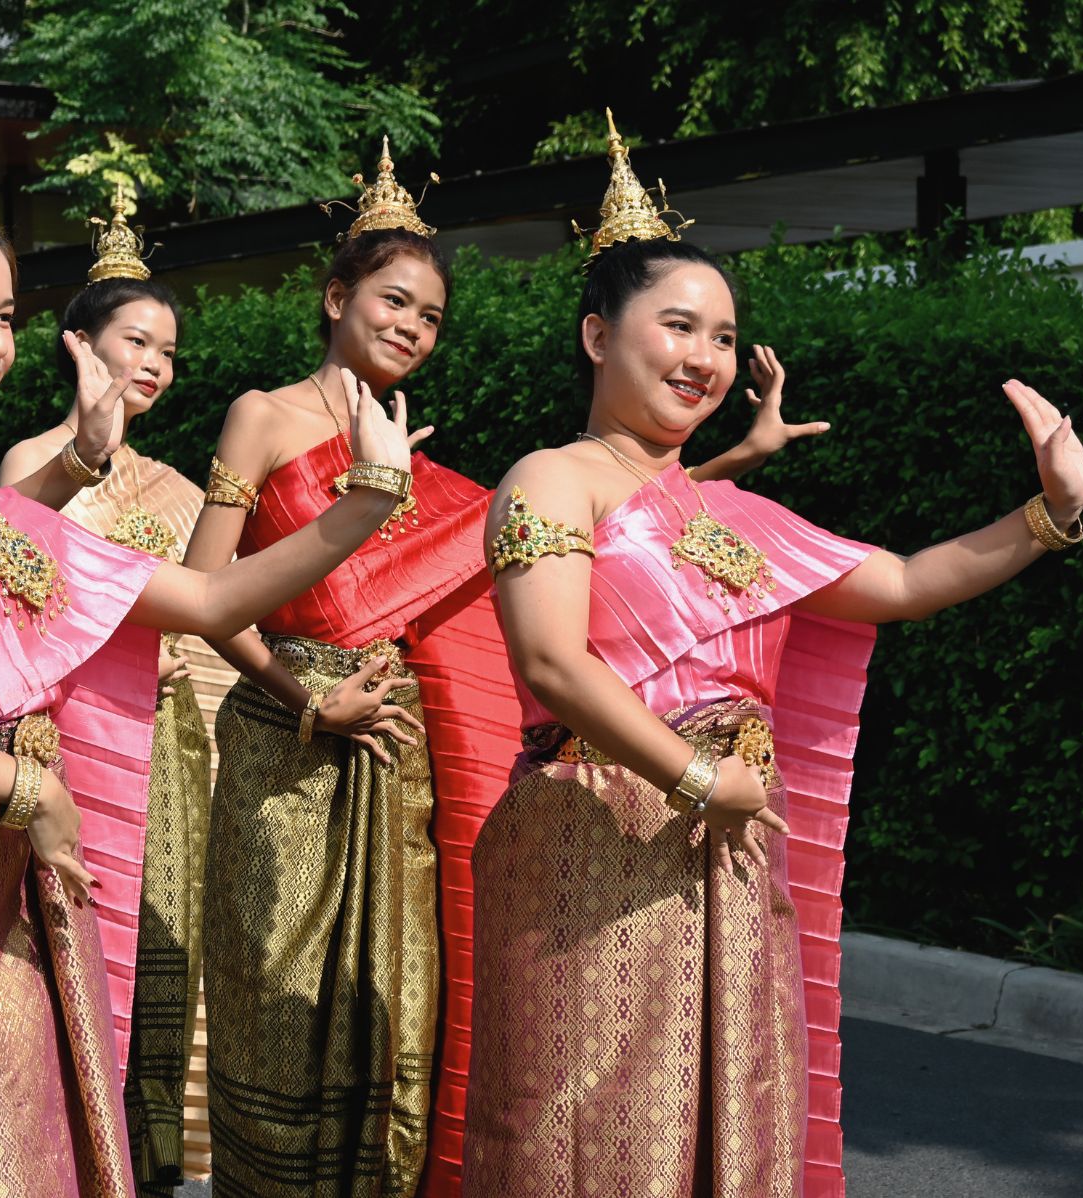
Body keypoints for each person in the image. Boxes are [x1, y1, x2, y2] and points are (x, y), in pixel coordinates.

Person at [0, 52, 423, 1196]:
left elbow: (213, 601)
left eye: (9, 316)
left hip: (20, 870)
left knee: (40, 1160)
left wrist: (367, 502)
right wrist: (27, 787)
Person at [462, 113, 1083, 1197]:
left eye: (722, 334)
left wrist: (1048, 512)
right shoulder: (549, 480)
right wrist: (704, 777)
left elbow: (898, 583)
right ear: (596, 336)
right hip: (592, 838)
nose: (704, 356)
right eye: (677, 326)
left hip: (729, 846)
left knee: (727, 1121)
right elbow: (552, 666)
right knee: (582, 1129)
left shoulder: (728, 514)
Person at [183, 137, 819, 1198]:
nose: (410, 328)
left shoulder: (439, 466)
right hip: (289, 747)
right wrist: (308, 698)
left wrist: (727, 464)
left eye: (430, 317)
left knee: (407, 1017)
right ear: (335, 295)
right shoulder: (263, 416)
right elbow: (206, 591)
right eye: (391, 301)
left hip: (407, 756)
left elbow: (599, 536)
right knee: (285, 1002)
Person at [0, 190, 235, 1194]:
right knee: (67, 938)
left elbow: (221, 613)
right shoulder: (30, 465)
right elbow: (6, 591)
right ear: (77, 343)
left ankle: (139, 1159)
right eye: (135, 339)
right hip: (65, 742)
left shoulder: (181, 489)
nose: (153, 363)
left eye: (168, 350)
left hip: (168, 746)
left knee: (159, 945)